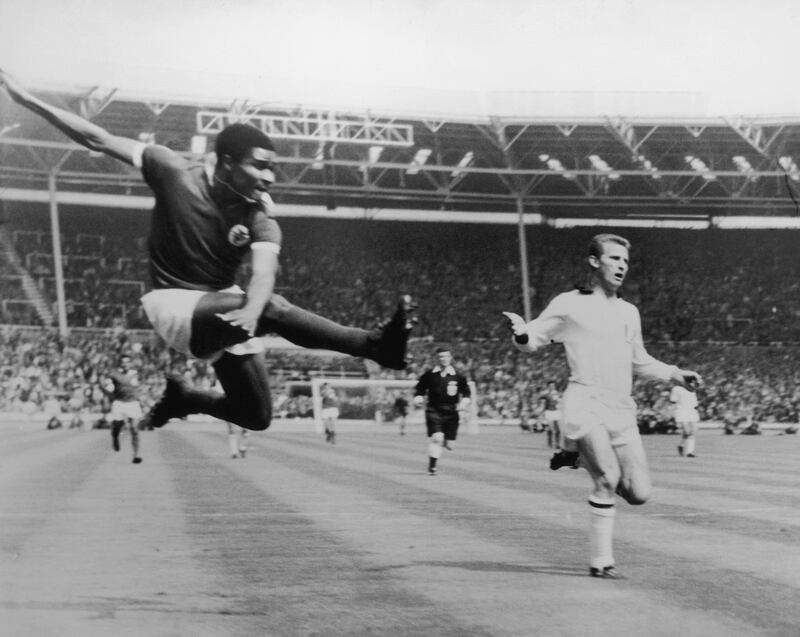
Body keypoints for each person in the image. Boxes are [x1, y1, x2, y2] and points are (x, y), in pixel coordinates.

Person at [0, 70, 414, 433]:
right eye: (260, 166)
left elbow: (264, 270)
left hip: (225, 306)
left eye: (273, 168)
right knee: (273, 308)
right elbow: (97, 137)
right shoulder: (172, 169)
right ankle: (374, 345)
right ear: (227, 162)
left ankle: (187, 399)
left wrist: (250, 309)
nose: (270, 177)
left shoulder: (259, 216)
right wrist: (27, 100)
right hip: (174, 304)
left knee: (257, 415)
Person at [503, 233, 701, 579]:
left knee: (639, 493)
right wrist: (521, 332)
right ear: (595, 262)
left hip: (621, 409)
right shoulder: (570, 303)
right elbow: (533, 339)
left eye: (625, 261)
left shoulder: (629, 312)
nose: (621, 266)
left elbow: (639, 361)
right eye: (614, 259)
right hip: (585, 402)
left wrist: (674, 374)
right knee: (608, 479)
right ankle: (601, 562)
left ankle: (579, 457)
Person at [413, 347, 471, 475]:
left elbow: (466, 392)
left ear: (450, 358)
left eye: (446, 356)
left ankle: (446, 440)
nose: (443, 359)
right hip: (433, 410)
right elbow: (420, 389)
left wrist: (464, 402)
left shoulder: (458, 376)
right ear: (436, 358)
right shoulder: (430, 375)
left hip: (451, 413)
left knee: (450, 445)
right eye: (441, 357)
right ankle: (432, 467)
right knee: (437, 438)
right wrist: (418, 397)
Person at [103, 354, 143, 464]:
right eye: (123, 362)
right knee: (118, 425)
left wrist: (140, 394)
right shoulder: (114, 374)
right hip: (119, 402)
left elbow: (139, 386)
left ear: (130, 363)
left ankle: (136, 455)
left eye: (127, 362)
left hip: (132, 403)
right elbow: (108, 386)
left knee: (134, 429)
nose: (125, 364)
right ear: (120, 363)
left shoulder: (135, 373)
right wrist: (108, 388)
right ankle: (115, 436)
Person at [671, 382, 700, 457]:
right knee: (687, 431)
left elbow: (695, 404)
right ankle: (681, 445)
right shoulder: (676, 389)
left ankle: (689, 452)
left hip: (691, 412)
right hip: (681, 412)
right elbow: (673, 401)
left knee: (693, 431)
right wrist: (673, 413)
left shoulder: (692, 390)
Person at [539, 380, 563, 450]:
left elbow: (562, 402)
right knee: (551, 428)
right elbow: (542, 403)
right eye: (550, 386)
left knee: (558, 429)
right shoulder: (545, 394)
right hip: (549, 412)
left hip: (557, 412)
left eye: (553, 385)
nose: (552, 387)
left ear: (555, 386)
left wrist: (559, 401)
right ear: (548, 386)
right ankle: (550, 442)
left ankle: (557, 444)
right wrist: (541, 412)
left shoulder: (558, 394)